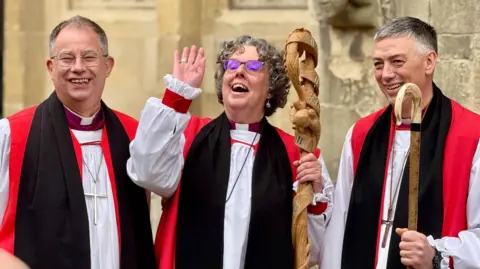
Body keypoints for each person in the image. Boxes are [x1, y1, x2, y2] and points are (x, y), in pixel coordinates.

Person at [127, 36, 335, 269]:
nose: (239, 72)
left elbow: (313, 253)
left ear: (270, 88)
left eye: (254, 66)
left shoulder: (297, 155)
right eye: (232, 65)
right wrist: (178, 97)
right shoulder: (188, 136)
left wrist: (314, 196)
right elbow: (146, 172)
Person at [319, 16, 480, 269]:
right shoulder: (361, 134)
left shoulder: (471, 135)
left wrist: (436, 255)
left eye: (397, 62)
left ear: (429, 62)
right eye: (378, 64)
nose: (385, 74)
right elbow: (340, 224)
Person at [0, 16, 156, 269]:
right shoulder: (13, 134)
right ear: (51, 67)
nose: (78, 68)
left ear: (107, 66)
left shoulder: (133, 135)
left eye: (89, 57)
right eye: (67, 58)